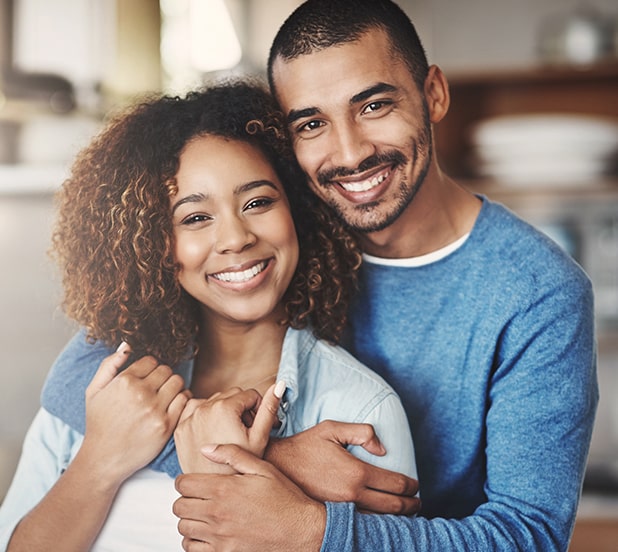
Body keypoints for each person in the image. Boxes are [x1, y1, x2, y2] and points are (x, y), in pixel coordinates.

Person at [172, 0, 599, 550]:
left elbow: (528, 537)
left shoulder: (538, 292)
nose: (349, 153)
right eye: (312, 123)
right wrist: (278, 459)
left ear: (434, 95)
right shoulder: (275, 244)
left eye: (373, 105)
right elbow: (100, 391)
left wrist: (313, 529)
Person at [0, 80, 418, 551]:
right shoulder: (103, 387)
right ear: (152, 242)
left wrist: (233, 466)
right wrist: (98, 460)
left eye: (258, 202)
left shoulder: (358, 413)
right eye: (195, 218)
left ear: (298, 209)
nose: (236, 237)